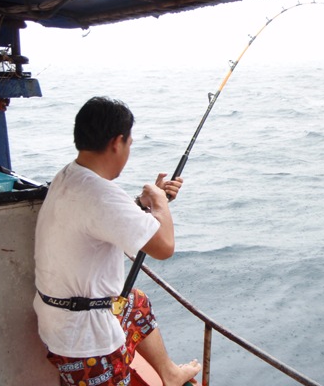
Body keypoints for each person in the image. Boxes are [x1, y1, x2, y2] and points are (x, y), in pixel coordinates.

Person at [33, 96, 202, 386]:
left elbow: (102, 217)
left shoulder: (69, 177)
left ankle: (170, 374)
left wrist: (146, 203)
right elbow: (163, 247)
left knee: (136, 303)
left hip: (59, 316)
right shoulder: (101, 195)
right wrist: (160, 203)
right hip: (85, 343)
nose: (128, 150)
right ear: (117, 142)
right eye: (130, 143)